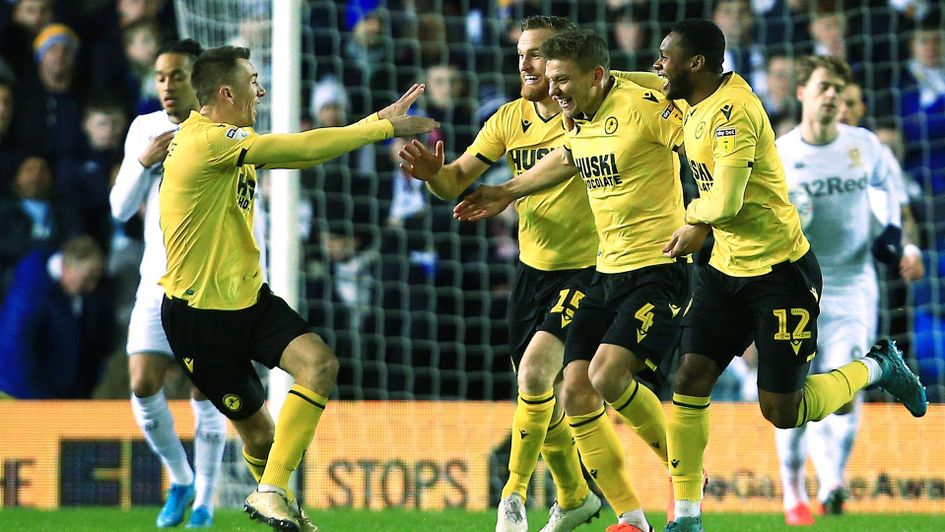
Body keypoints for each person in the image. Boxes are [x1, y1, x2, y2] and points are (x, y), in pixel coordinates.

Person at [653, 19, 927, 532]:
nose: (656, 65)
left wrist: (693, 220)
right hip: (726, 269)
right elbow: (635, 84)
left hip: (781, 274)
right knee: (689, 379)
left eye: (664, 56)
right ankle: (686, 516)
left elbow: (729, 201)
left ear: (695, 64)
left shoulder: (734, 113)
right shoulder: (690, 100)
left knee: (782, 409)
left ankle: (878, 367)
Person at [158, 45, 435, 531]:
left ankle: (271, 493)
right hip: (199, 318)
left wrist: (374, 120)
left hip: (248, 299)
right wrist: (382, 126)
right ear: (227, 92)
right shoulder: (208, 141)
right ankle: (280, 504)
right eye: (252, 81)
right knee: (260, 439)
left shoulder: (225, 140)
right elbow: (303, 150)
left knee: (320, 363)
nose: (260, 91)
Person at [451, 29, 691, 532]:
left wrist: (706, 218)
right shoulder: (574, 119)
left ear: (597, 75)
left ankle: (685, 471)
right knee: (575, 392)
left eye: (561, 78)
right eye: (547, 76)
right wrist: (506, 192)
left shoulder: (646, 106)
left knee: (600, 376)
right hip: (606, 269)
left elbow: (703, 139)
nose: (552, 88)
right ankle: (630, 519)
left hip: (658, 267)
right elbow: (566, 158)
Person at [399, 16, 602, 532]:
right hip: (533, 270)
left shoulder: (586, 113)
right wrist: (432, 177)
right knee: (536, 393)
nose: (525, 64)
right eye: (520, 54)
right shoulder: (507, 119)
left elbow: (566, 162)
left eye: (535, 54)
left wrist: (507, 190)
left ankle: (511, 498)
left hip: (590, 267)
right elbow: (456, 181)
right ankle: (575, 496)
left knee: (536, 374)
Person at [774, 55, 922, 525]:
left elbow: (890, 198)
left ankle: (833, 482)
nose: (833, 95)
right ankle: (793, 490)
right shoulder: (779, 154)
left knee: (846, 386)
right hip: (796, 287)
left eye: (839, 88)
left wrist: (906, 243)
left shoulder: (866, 146)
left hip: (855, 284)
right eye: (824, 86)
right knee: (791, 395)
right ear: (802, 93)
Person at [110, 39, 243, 529]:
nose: (167, 86)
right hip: (157, 280)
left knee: (205, 391)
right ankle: (180, 478)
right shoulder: (144, 129)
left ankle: (205, 503)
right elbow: (119, 209)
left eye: (178, 76)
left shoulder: (227, 132)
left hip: (211, 285)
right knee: (143, 384)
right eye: (161, 77)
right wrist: (144, 161)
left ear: (200, 80)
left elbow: (247, 214)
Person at [0, 235, 109, 399]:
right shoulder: (30, 292)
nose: (91, 287)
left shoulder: (71, 294)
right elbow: (14, 350)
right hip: (21, 398)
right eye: (87, 279)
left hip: (54, 397)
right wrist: (39, 402)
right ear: (66, 268)